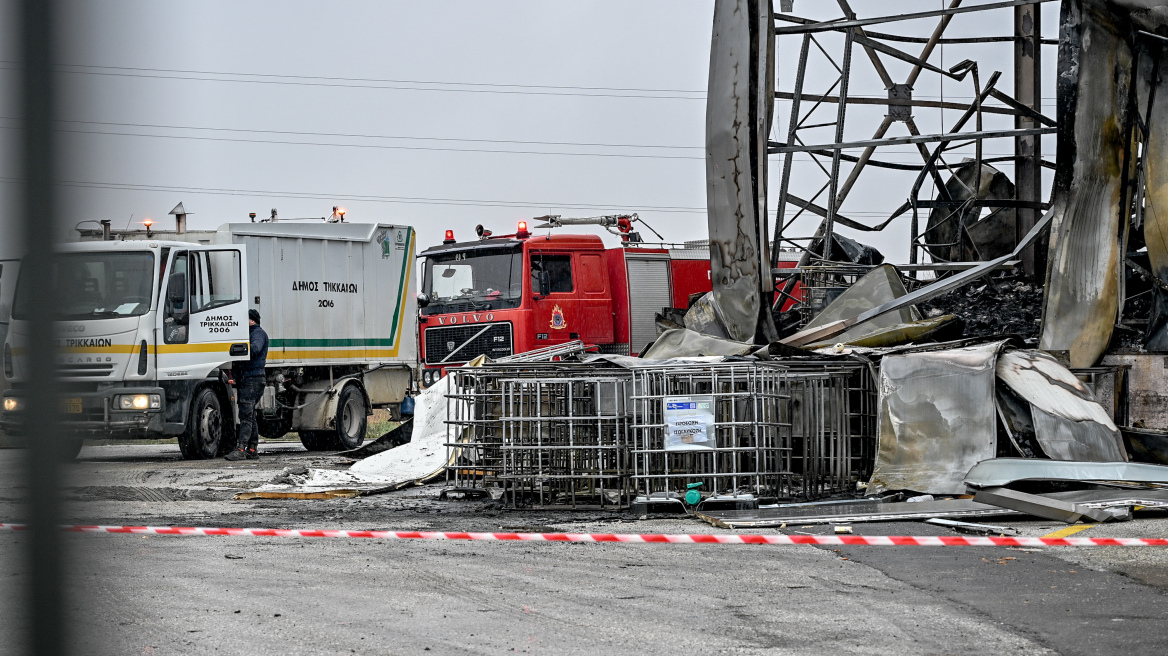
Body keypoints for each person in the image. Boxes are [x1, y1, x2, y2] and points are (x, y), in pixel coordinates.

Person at [225, 309, 268, 461]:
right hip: (250, 378)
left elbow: (255, 348)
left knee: (245, 415)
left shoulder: (257, 333)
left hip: (252, 379)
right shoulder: (253, 333)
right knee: (249, 414)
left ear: (252, 320)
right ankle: (252, 449)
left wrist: (241, 348)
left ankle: (241, 448)